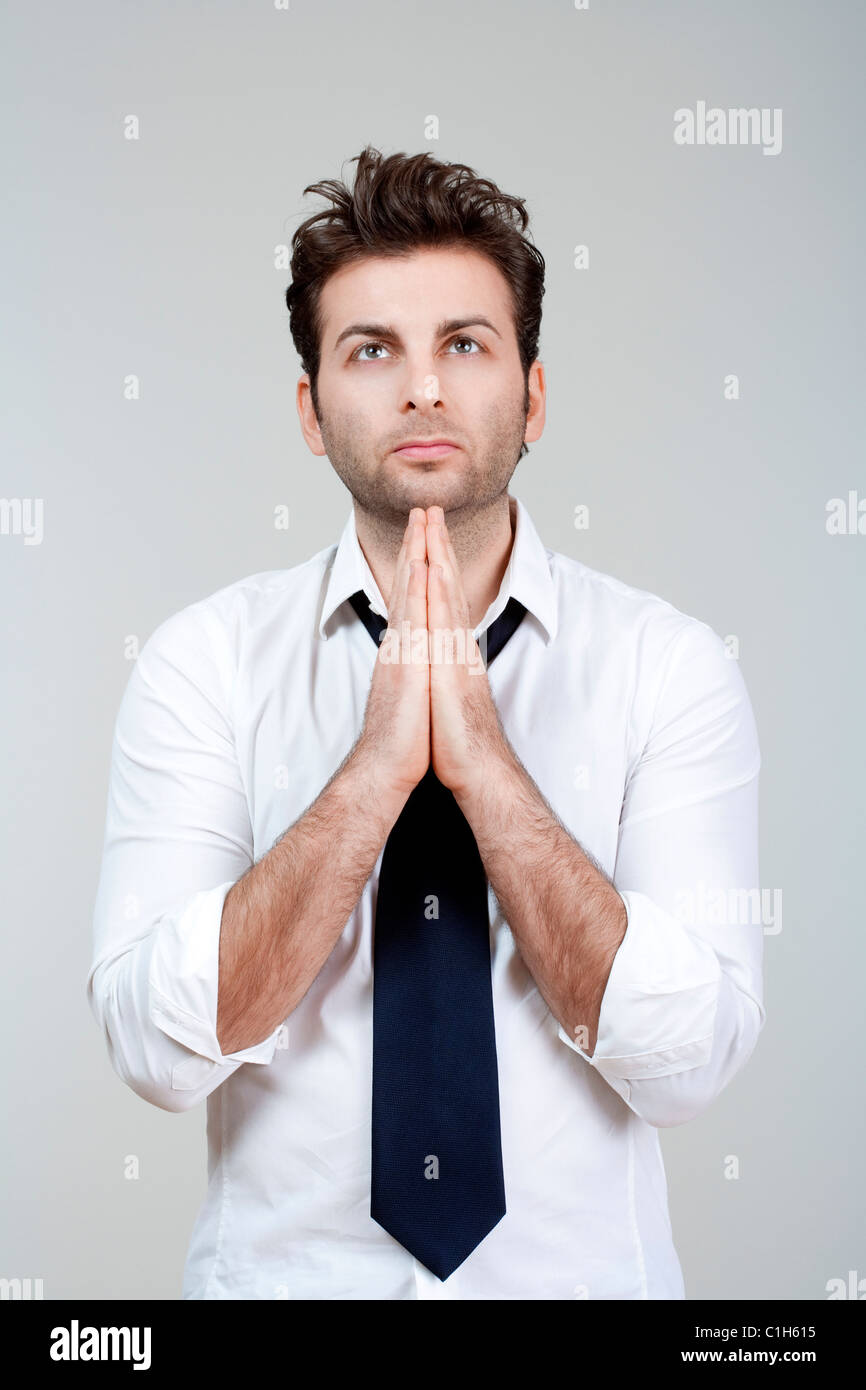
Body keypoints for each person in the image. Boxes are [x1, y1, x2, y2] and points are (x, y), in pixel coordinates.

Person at [88, 145, 765, 1300]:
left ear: (532, 393)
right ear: (310, 410)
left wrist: (485, 767)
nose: (422, 390)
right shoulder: (202, 665)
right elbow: (156, 1050)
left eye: (464, 343)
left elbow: (690, 1062)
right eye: (371, 350)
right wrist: (373, 774)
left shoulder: (669, 667)